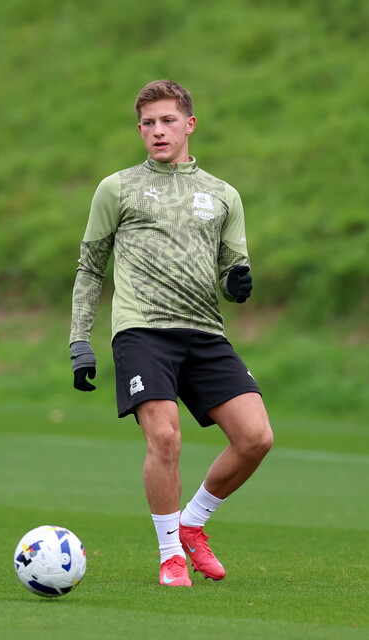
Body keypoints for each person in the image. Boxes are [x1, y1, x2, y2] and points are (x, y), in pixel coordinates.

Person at [68, 80, 273, 587]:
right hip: (142, 330)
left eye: (166, 121)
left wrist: (238, 285)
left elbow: (233, 272)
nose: (157, 131)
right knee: (164, 436)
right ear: (139, 129)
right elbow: (90, 268)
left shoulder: (223, 195)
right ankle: (169, 556)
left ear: (189, 124)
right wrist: (79, 339)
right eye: (147, 123)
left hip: (204, 331)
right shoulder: (117, 188)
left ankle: (192, 523)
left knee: (256, 438)